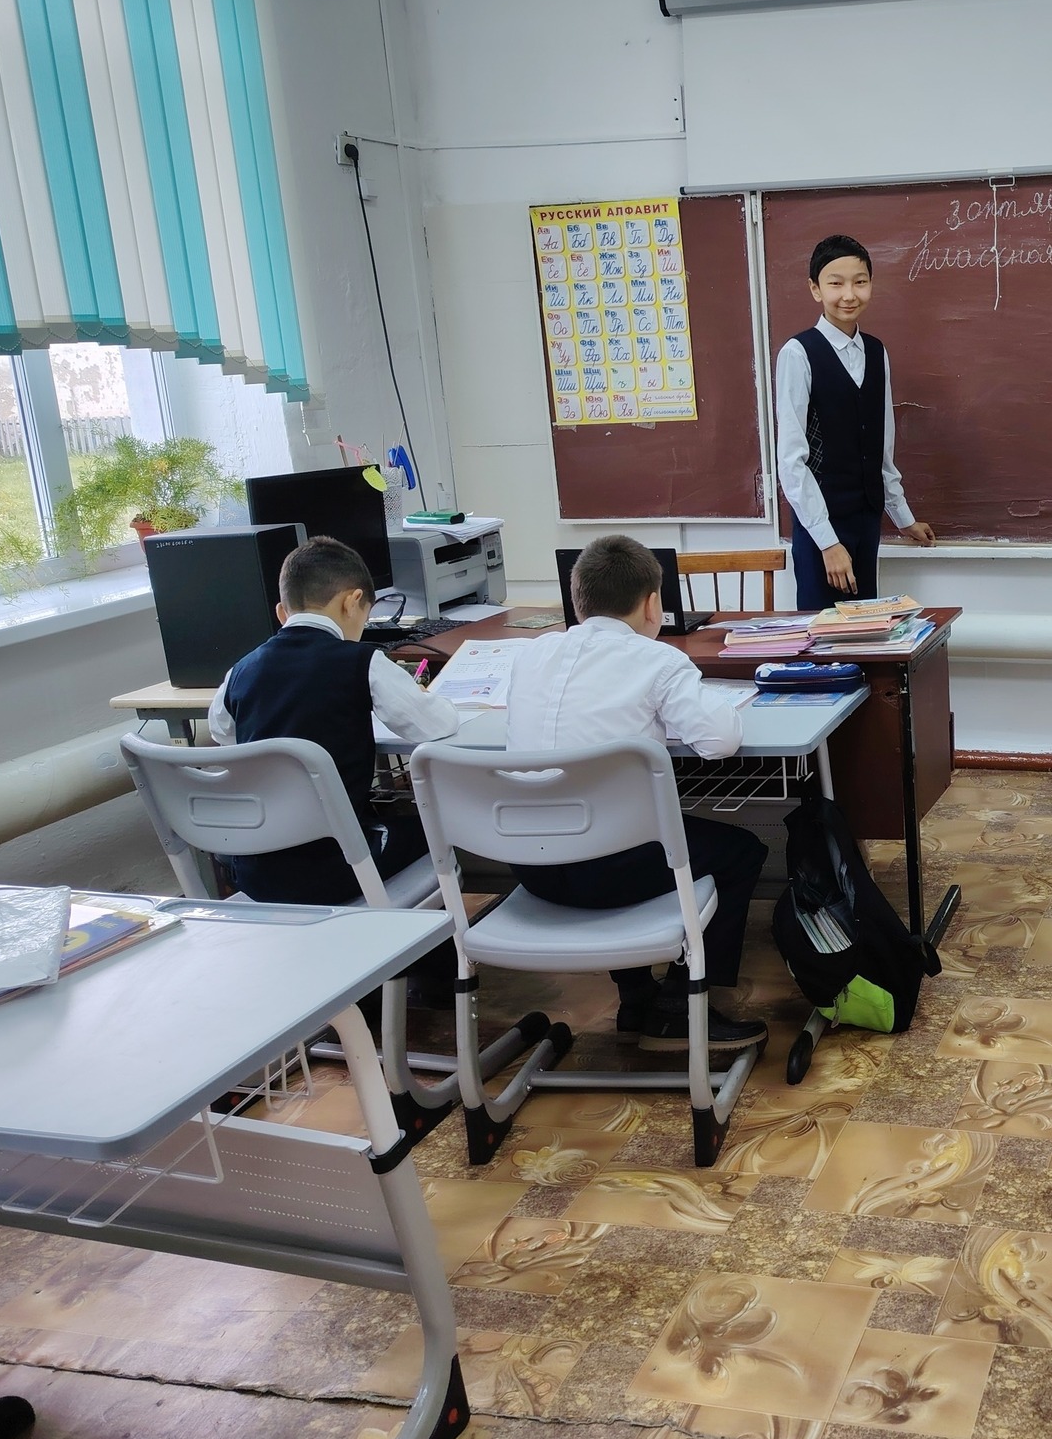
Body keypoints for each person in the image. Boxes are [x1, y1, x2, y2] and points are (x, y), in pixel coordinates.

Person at [504, 534, 769, 1051]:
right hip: (607, 873)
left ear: (577, 600)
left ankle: (636, 997)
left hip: (530, 865)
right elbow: (719, 741)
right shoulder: (657, 662)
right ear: (653, 604)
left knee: (615, 831)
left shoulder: (531, 655)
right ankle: (678, 1008)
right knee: (740, 852)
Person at [209, 535, 459, 906]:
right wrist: (423, 694)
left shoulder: (240, 671)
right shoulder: (362, 662)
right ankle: (434, 938)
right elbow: (436, 725)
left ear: (282, 612)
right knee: (440, 824)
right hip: (336, 869)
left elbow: (224, 737)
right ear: (352, 602)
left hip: (256, 871)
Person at [775, 233, 936, 610]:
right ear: (815, 289)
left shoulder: (876, 352)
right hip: (820, 526)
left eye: (859, 282)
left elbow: (882, 449)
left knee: (867, 630)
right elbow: (791, 461)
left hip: (866, 521)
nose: (849, 294)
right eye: (836, 283)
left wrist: (903, 517)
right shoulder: (798, 353)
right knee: (824, 634)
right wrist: (828, 543)